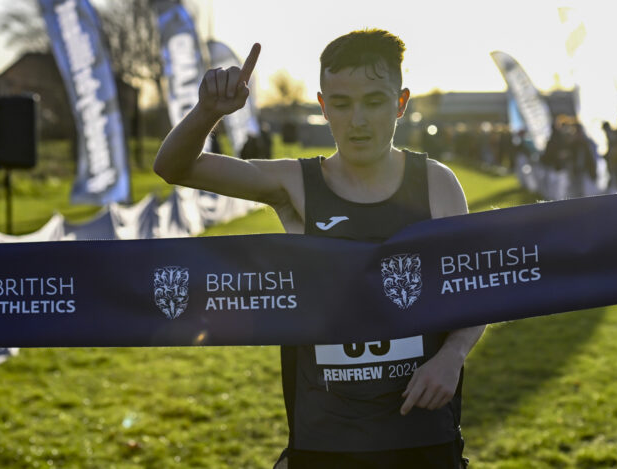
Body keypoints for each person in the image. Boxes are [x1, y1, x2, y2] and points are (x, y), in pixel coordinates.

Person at [154, 29, 486, 469]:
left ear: (401, 103)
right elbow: (174, 167)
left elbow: (472, 289)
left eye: (374, 101)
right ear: (323, 105)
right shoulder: (296, 184)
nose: (358, 120)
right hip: (325, 437)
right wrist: (207, 113)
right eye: (343, 104)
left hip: (421, 429)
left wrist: (452, 356)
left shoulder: (436, 183)